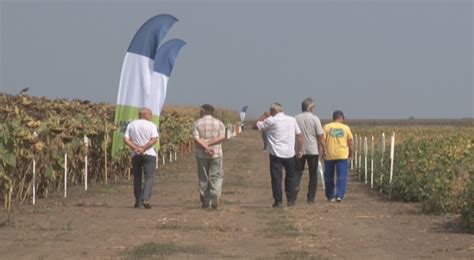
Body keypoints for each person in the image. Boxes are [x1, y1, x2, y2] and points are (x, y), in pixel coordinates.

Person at [253, 103, 303, 208]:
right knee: (291, 177)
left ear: (272, 111)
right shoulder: (292, 120)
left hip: (276, 154)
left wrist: (264, 116)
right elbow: (299, 135)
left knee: (276, 178)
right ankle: (290, 200)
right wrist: (299, 149)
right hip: (290, 153)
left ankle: (278, 201)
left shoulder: (271, 120)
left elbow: (255, 126)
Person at [123, 108, 159, 209]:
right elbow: (154, 139)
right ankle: (146, 198)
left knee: (137, 178)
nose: (151, 117)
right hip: (149, 154)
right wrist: (143, 148)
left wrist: (135, 148)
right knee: (149, 177)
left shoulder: (131, 124)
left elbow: (126, 139)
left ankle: (138, 201)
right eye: (151, 114)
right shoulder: (151, 125)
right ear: (146, 115)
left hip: (135, 155)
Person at [192, 104, 226, 209]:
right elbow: (221, 137)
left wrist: (205, 146)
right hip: (216, 153)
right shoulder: (219, 123)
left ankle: (206, 201)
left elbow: (196, 138)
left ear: (203, 111)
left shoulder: (197, 123)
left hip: (201, 154)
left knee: (203, 177)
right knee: (216, 175)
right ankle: (215, 192)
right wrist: (210, 145)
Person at [294, 98, 326, 203]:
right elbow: (320, 136)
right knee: (313, 174)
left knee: (298, 172)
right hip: (313, 150)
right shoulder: (315, 119)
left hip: (299, 149)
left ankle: (294, 191)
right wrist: (324, 149)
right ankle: (311, 198)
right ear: (310, 107)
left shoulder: (296, 118)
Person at [323, 110, 353, 202]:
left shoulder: (326, 127)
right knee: (341, 176)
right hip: (342, 154)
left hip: (329, 154)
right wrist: (351, 153)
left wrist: (323, 151)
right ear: (341, 118)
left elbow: (322, 141)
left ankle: (330, 196)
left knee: (328, 177)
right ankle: (339, 195)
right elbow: (350, 142)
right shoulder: (346, 128)